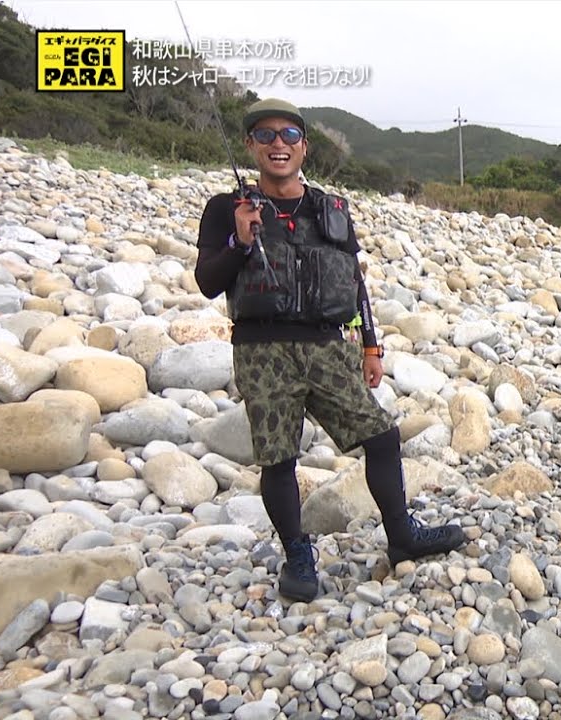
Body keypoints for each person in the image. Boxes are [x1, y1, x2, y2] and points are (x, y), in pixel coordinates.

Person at [194, 98, 466, 603]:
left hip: (326, 345)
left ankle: (402, 536)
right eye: (267, 135)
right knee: (279, 459)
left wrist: (370, 345)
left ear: (305, 147)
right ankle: (297, 554)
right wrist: (238, 241)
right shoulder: (226, 209)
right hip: (262, 350)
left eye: (290, 136)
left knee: (382, 437)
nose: (279, 144)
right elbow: (208, 282)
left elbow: (353, 281)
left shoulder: (331, 209)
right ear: (251, 145)